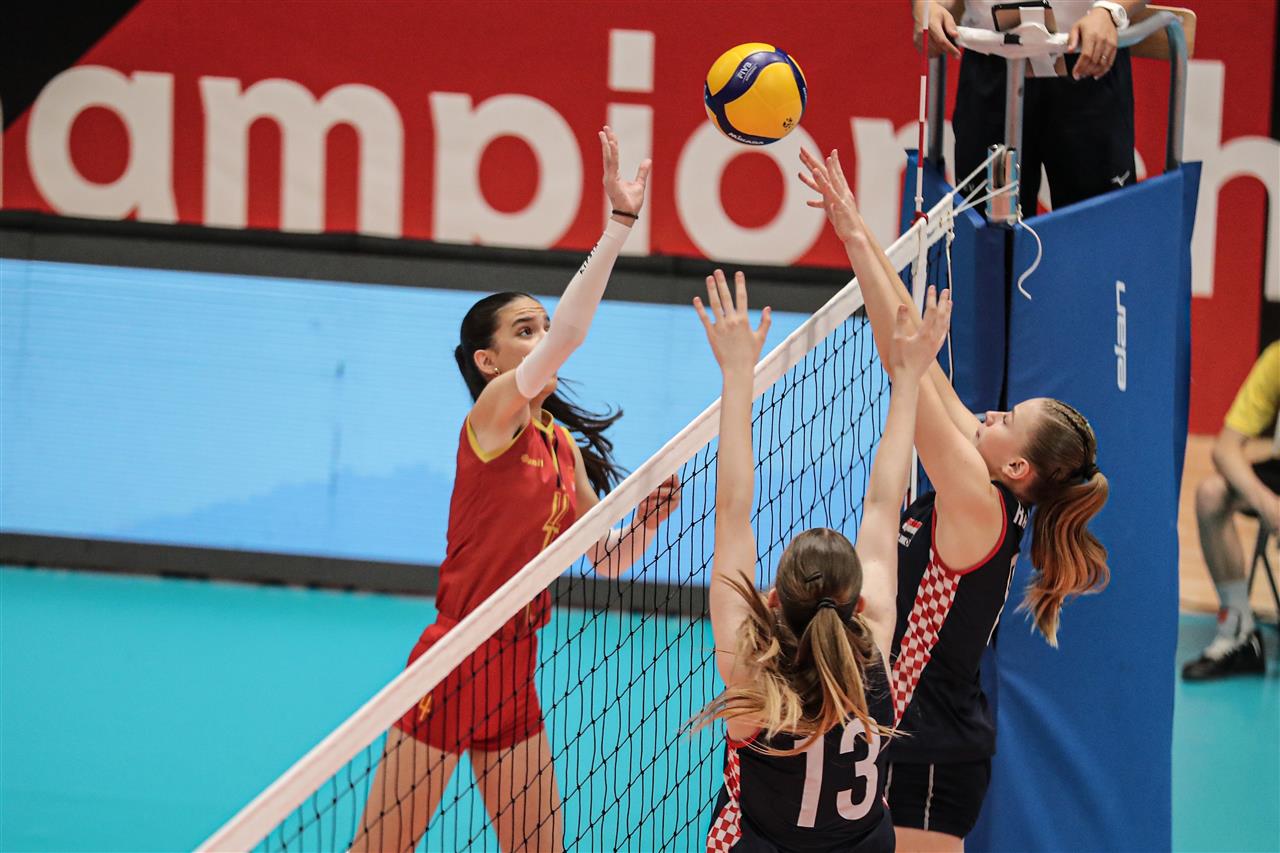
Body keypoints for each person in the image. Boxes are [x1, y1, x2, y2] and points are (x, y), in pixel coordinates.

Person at [351, 127, 680, 853]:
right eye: (526, 331)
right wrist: (619, 225)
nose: (543, 339)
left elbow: (607, 558)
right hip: (453, 657)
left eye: (542, 328)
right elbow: (571, 336)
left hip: (516, 665)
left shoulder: (562, 446)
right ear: (489, 360)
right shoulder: (493, 417)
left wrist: (648, 522)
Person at [801, 147, 1110, 850]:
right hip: (900, 734)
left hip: (932, 753)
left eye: (1005, 419)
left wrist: (855, 241)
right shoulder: (987, 477)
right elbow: (914, 350)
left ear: (1018, 465)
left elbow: (902, 363)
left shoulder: (977, 498)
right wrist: (854, 228)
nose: (989, 414)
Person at [692, 265, 953, 853]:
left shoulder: (750, 678)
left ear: (773, 599)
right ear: (857, 603)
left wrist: (737, 375)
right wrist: (908, 379)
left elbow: (732, 511)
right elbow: (883, 504)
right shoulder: (875, 648)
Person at [916, 0, 1146, 215]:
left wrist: (1111, 10)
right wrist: (926, 6)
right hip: (989, 53)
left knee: (1097, 227)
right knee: (985, 226)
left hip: (1086, 58)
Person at [1182, 339, 1280, 680]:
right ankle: (1238, 632)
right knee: (1212, 494)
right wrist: (1269, 506)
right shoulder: (1277, 358)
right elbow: (1225, 449)